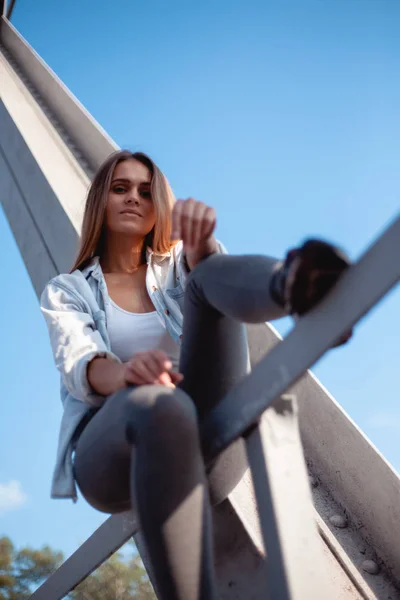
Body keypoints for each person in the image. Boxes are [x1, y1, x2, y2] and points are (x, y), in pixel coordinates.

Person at [41, 150, 351, 600]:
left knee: (204, 274)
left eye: (147, 192)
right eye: (121, 188)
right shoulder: (68, 290)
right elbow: (80, 361)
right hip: (111, 456)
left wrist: (202, 248)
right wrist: (127, 374)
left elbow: (208, 285)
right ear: (100, 202)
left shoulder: (174, 268)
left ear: (159, 208)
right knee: (155, 403)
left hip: (207, 442)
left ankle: (298, 287)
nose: (134, 199)